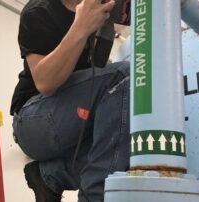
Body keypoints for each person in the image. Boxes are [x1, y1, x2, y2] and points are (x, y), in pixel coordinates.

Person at [10, 0, 130, 201]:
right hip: (33, 118)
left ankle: (50, 174)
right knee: (122, 76)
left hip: (77, 113)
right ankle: (95, 197)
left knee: (126, 149)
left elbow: (159, 9)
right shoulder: (38, 11)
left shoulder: (105, 6)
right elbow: (46, 83)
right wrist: (81, 27)